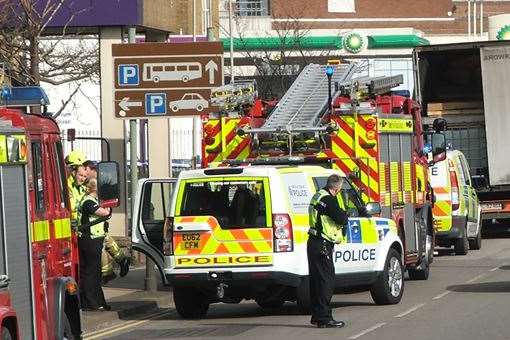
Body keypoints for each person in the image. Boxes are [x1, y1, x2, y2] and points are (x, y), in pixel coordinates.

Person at [307, 174, 348, 328]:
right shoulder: (328, 199)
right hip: (322, 243)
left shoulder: (318, 195)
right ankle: (325, 317)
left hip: (314, 242)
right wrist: (345, 215)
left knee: (317, 281)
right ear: (336, 187)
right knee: (326, 281)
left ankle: (317, 316)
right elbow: (341, 218)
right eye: (340, 187)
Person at [82, 160, 130, 283]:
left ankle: (110, 271)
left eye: (85, 170)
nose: (83, 174)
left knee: (105, 244)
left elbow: (105, 211)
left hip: (94, 230)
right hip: (92, 229)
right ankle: (112, 268)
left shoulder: (95, 180)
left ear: (89, 168)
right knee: (106, 243)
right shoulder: (87, 185)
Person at [78, 178, 111, 311]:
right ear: (95, 189)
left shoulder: (94, 201)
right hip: (89, 241)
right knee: (91, 273)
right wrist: (108, 202)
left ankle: (97, 301)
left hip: (94, 240)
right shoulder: (88, 202)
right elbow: (106, 213)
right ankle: (91, 303)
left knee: (95, 273)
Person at [65, 150, 87, 229]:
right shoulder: (65, 187)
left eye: (85, 176)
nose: (83, 179)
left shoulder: (83, 189)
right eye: (81, 175)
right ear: (73, 172)